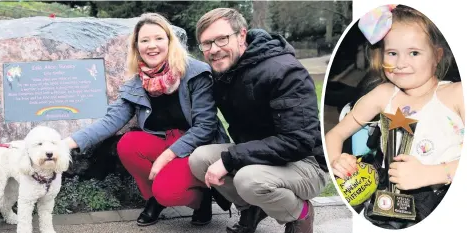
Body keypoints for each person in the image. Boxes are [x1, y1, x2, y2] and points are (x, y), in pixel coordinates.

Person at [63, 12, 230, 227]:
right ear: (136, 47)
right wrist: (65, 144)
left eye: (159, 38)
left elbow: (205, 126)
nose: (152, 45)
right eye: (144, 40)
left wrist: (167, 157)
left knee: (169, 192)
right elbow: (111, 120)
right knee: (128, 145)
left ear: (170, 41)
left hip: (194, 146)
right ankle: (155, 198)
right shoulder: (136, 84)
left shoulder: (196, 73)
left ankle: (201, 200)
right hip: (162, 140)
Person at [189, 8, 329, 233]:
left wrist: (230, 159)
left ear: (241, 35)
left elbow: (298, 141)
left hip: (306, 162)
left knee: (248, 179)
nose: (214, 50)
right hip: (261, 154)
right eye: (206, 43)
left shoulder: (285, 72)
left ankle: (301, 214)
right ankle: (251, 209)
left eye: (222, 39)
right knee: (199, 159)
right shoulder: (224, 73)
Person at [325, 4, 463, 229]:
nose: (401, 63)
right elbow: (335, 133)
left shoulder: (456, 95)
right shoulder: (383, 94)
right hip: (386, 202)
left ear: (437, 56)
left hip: (444, 199)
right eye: (392, 53)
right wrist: (336, 161)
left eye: (414, 53)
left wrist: (432, 173)